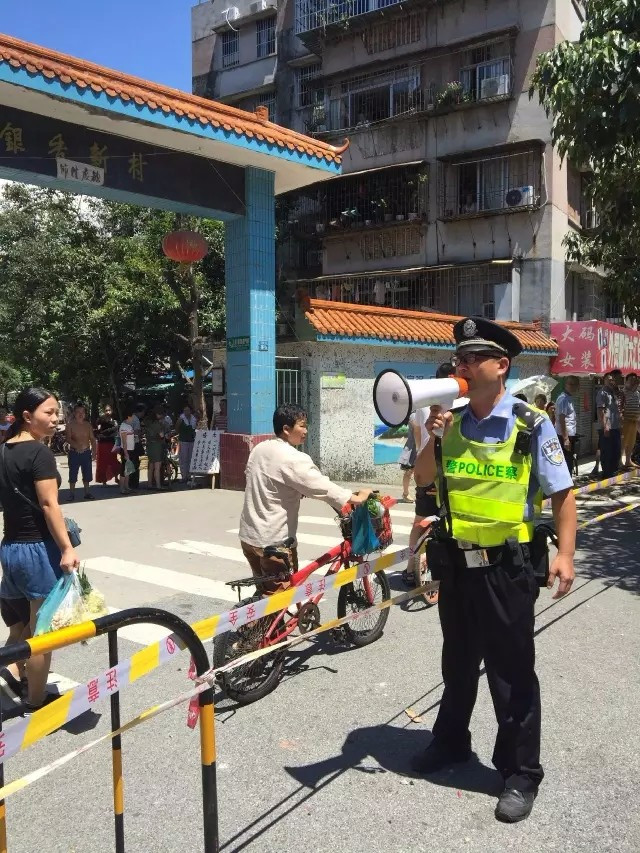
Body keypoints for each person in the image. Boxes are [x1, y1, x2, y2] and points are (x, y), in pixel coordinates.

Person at [412, 316, 577, 823]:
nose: (460, 366)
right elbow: (423, 479)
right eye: (458, 358)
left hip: (508, 567)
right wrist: (432, 436)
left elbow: (562, 494)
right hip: (458, 565)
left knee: (511, 672)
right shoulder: (452, 422)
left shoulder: (531, 423)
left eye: (471, 358)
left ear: (500, 365)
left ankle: (521, 773)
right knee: (457, 662)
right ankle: (450, 741)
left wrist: (566, 555)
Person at [0, 387, 80, 712]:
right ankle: (35, 700)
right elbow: (49, 505)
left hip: (10, 548)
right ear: (27, 416)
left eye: (57, 412)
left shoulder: (4, 450)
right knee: (41, 633)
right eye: (49, 412)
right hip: (37, 550)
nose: (56, 418)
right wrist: (67, 548)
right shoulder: (39, 453)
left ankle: (10, 672)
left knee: (21, 625)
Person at [239, 403, 371, 594]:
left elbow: (263, 479)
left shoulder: (260, 448)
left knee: (265, 594)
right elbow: (321, 486)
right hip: (274, 541)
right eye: (302, 425)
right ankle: (263, 615)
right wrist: (356, 498)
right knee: (280, 600)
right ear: (286, 429)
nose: (306, 431)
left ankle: (259, 612)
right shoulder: (293, 457)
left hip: (250, 537)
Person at [403, 362, 455, 589]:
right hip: (445, 469)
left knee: (419, 523)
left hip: (425, 466)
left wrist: (421, 453)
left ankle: (409, 569)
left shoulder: (424, 403)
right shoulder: (455, 403)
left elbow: (416, 431)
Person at [65, 402, 96, 501]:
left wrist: (94, 452)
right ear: (74, 413)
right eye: (78, 412)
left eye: (82, 412)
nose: (80, 414)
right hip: (74, 452)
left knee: (87, 474)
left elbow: (92, 439)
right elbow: (68, 438)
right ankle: (71, 494)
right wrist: (76, 445)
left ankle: (87, 493)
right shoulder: (70, 425)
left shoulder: (87, 425)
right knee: (73, 474)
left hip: (86, 452)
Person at [596, 372, 622, 478]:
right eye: (609, 379)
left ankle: (613, 472)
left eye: (613, 380)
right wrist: (605, 426)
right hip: (607, 427)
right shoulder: (602, 393)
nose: (611, 381)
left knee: (616, 451)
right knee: (607, 452)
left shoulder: (613, 393)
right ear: (604, 380)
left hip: (615, 426)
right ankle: (607, 474)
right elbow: (600, 410)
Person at [555, 375, 579, 474]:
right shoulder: (563, 399)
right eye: (570, 384)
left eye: (575, 384)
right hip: (564, 436)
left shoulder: (568, 398)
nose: (572, 386)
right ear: (565, 385)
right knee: (566, 461)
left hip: (569, 435)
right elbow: (562, 419)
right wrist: (565, 439)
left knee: (569, 461)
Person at [95, 404, 119, 486]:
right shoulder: (101, 420)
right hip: (103, 443)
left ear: (111, 411)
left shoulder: (114, 420)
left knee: (113, 461)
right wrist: (107, 431)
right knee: (103, 462)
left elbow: (116, 431)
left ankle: (116, 478)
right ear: (104, 411)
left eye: (109, 410)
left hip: (111, 443)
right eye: (106, 410)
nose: (108, 412)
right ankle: (104, 480)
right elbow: (98, 430)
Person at [145, 406, 167, 490]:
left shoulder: (148, 422)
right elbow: (161, 435)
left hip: (149, 445)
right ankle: (158, 485)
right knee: (157, 467)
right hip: (157, 445)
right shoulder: (157, 424)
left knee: (151, 466)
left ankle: (149, 484)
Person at [621, 373, 640, 470]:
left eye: (635, 380)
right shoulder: (623, 392)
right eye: (631, 380)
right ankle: (619, 462)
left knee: (631, 442)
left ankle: (628, 461)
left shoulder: (637, 393)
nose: (633, 382)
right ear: (626, 381)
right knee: (623, 442)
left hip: (634, 420)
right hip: (625, 420)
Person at [175, 404, 197, 482]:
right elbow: (176, 428)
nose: (186, 412)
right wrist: (181, 434)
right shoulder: (181, 419)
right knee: (183, 459)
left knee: (190, 458)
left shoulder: (194, 419)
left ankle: (189, 475)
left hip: (191, 440)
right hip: (183, 440)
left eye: (187, 410)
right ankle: (184, 476)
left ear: (190, 411)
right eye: (185, 410)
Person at [399, 413, 417, 501]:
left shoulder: (419, 415)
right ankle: (405, 494)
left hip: (418, 447)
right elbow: (416, 431)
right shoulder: (414, 416)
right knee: (409, 472)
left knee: (413, 472)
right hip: (413, 447)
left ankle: (407, 494)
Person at [118, 406, 136, 496]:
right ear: (129, 416)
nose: (133, 417)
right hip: (126, 450)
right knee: (123, 470)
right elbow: (124, 441)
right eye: (132, 415)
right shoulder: (124, 426)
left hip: (130, 449)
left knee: (128, 469)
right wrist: (125, 453)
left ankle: (127, 486)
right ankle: (122, 488)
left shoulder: (129, 426)